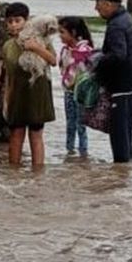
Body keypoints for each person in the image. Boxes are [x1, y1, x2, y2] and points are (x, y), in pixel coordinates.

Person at [89, 0, 132, 163]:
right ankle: (125, 174)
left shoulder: (116, 25)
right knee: (125, 132)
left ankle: (120, 178)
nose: (96, 8)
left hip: (125, 87)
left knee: (119, 135)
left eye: (98, 4)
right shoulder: (126, 18)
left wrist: (96, 62)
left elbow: (117, 56)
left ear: (107, 4)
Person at [0, 3, 56, 168]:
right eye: (10, 22)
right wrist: (6, 100)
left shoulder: (41, 39)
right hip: (17, 92)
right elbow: (9, 76)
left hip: (38, 92)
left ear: (26, 21)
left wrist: (36, 48)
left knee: (36, 134)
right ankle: (13, 172)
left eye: (17, 21)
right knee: (16, 134)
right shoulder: (8, 46)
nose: (13, 25)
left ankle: (37, 173)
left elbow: (53, 61)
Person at [58, 16, 96, 157]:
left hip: (81, 93)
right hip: (69, 91)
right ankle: (70, 151)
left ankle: (82, 152)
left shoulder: (85, 50)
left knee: (81, 125)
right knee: (70, 124)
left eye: (62, 32)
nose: (60, 36)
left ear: (73, 32)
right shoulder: (66, 50)